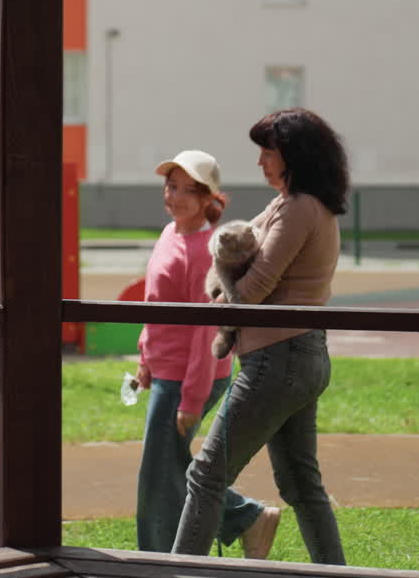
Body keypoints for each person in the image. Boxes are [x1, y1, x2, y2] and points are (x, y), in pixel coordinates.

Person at [172, 108, 349, 565]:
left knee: (207, 474)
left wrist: (222, 299)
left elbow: (252, 290)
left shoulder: (296, 208)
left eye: (267, 152)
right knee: (301, 486)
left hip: (278, 358)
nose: (260, 162)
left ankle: (175, 573)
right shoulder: (302, 203)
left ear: (293, 155)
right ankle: (337, 574)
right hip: (300, 356)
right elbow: (236, 246)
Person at [135, 149, 279, 556]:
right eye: (171, 185)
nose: (175, 196)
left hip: (188, 378)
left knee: (158, 477)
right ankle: (246, 518)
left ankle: (155, 559)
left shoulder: (204, 249)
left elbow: (205, 331)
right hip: (166, 372)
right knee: (169, 468)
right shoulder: (170, 233)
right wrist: (145, 358)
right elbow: (153, 306)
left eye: (188, 190)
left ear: (208, 199)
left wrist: (192, 399)